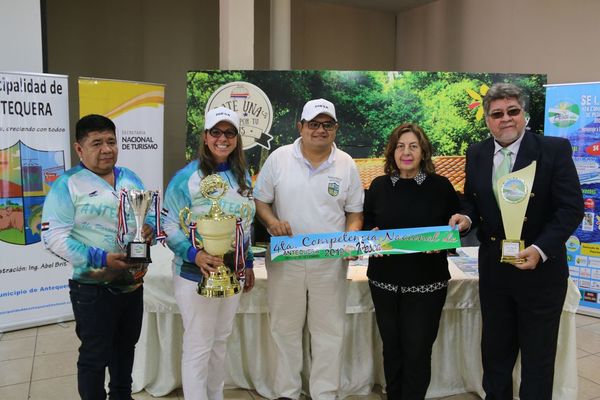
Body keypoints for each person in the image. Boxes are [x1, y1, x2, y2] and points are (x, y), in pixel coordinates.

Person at [450, 83, 583, 399]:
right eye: (497, 114)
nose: (505, 119)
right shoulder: (477, 152)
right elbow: (471, 200)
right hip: (496, 271)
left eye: (513, 111)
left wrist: (539, 249)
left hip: (540, 271)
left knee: (537, 359)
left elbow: (571, 207)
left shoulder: (553, 149)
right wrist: (466, 217)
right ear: (487, 119)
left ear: (524, 114)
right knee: (495, 354)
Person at [254, 98, 364, 400]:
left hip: (329, 262)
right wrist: (272, 222)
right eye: (314, 124)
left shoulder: (346, 163)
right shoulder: (278, 158)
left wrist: (350, 237)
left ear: (336, 128)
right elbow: (260, 200)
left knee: (329, 331)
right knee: (284, 329)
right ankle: (287, 392)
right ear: (300, 126)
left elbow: (354, 213)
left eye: (327, 124)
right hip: (286, 259)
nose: (320, 130)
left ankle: (325, 393)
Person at [41, 114, 156, 400]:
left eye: (111, 141)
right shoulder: (67, 185)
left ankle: (122, 396)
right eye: (97, 143)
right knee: (94, 356)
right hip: (92, 289)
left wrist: (149, 225)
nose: (107, 149)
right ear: (79, 149)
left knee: (125, 349)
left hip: (132, 285)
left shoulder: (130, 177)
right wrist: (101, 259)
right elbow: (53, 237)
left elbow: (148, 212)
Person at [162, 106, 255, 400]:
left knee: (220, 342)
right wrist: (194, 254)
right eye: (216, 132)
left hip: (232, 275)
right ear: (205, 136)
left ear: (237, 138)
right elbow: (167, 224)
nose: (222, 138)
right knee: (199, 344)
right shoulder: (186, 178)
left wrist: (247, 263)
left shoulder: (243, 176)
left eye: (229, 132)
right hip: (194, 274)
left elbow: (246, 224)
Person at [363, 123, 462, 399]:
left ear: (423, 152)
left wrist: (444, 238)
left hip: (426, 283)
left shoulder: (440, 186)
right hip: (384, 282)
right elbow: (368, 219)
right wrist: (369, 233)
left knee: (418, 349)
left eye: (413, 146)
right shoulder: (379, 185)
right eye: (400, 146)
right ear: (392, 151)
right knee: (391, 348)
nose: (406, 152)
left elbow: (455, 225)